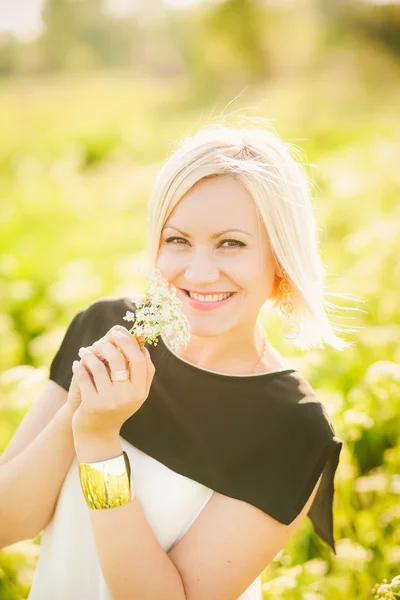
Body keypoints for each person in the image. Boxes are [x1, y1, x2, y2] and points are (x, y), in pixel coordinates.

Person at [0, 124, 345, 600]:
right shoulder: (105, 328)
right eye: (178, 239)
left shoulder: (292, 427)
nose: (199, 272)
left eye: (231, 243)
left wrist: (100, 445)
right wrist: (77, 414)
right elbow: (7, 523)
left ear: (281, 260)